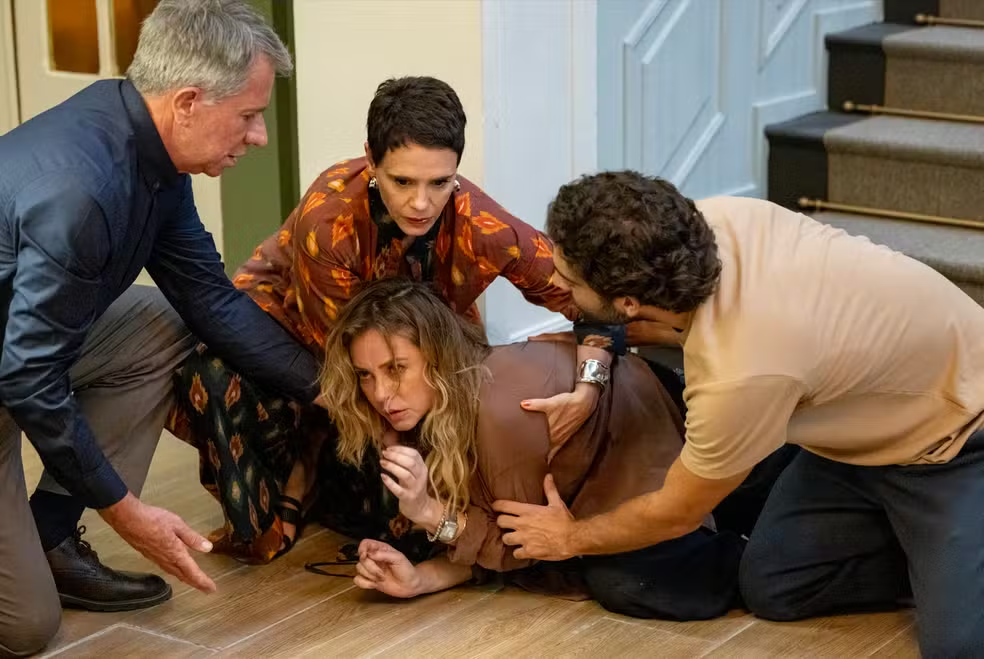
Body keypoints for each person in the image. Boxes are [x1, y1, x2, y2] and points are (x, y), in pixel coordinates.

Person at [492, 171, 984, 658]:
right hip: (858, 432)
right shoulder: (717, 221)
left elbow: (676, 512)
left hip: (958, 436)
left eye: (569, 279)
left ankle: (950, 555)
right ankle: (930, 552)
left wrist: (569, 538)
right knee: (776, 586)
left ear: (629, 302)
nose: (555, 280)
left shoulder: (740, 375)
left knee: (958, 645)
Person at [170, 76, 617, 564]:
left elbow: (591, 300)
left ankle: (323, 475)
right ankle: (302, 472)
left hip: (399, 373)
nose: (421, 203)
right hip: (303, 352)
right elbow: (344, 364)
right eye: (402, 181)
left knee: (411, 534)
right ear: (371, 159)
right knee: (213, 378)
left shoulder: (480, 222)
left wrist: (589, 383)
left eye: (440, 182)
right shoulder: (329, 220)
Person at [0, 1, 321, 655]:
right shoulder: (82, 194)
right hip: (17, 371)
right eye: (249, 115)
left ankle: (50, 535)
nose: (259, 136)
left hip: (19, 349)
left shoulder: (146, 147)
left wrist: (335, 390)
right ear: (189, 102)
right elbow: (28, 378)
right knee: (26, 629)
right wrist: (126, 511)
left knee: (159, 321)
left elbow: (211, 302)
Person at [310, 278, 745, 619]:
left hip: (675, 433)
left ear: (437, 356)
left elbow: (515, 549)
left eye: (396, 368)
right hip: (646, 436)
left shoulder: (500, 411)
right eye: (365, 375)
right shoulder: (429, 409)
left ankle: (744, 544)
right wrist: (418, 580)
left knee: (628, 581)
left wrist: (427, 512)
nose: (381, 394)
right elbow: (492, 539)